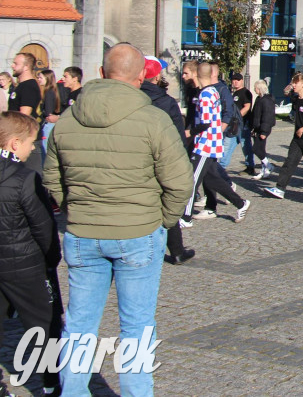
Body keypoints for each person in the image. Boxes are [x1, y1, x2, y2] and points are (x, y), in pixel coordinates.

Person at [42, 43, 193, 395]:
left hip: (83, 233)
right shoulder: (154, 120)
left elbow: (52, 179)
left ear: (100, 72)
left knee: (79, 325)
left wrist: (75, 209)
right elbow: (180, 180)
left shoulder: (66, 121)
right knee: (137, 326)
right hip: (138, 232)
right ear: (142, 76)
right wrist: (162, 220)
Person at [0, 112, 63, 395]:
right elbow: (43, 226)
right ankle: (51, 384)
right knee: (44, 325)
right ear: (15, 143)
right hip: (24, 265)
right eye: (30, 143)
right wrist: (51, 260)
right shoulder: (25, 178)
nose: (33, 149)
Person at [181, 62, 252, 224]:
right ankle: (241, 203)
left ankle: (185, 217)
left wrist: (189, 132)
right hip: (209, 143)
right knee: (212, 178)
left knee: (191, 179)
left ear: (198, 75)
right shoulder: (212, 92)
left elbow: (205, 123)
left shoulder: (206, 95)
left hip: (205, 144)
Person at [263, 73, 303, 199]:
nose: (294, 85)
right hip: (297, 139)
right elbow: (287, 93)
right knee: (289, 162)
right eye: (293, 83)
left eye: (296, 83)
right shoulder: (297, 99)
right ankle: (280, 188)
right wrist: (289, 88)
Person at [8, 53, 42, 172]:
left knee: (31, 175)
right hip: (17, 138)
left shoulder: (29, 86)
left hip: (26, 139)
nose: (12, 66)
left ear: (26, 66)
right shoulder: (20, 86)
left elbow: (24, 116)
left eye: (16, 64)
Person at [251, 79, 276, 180]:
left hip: (263, 128)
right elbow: (255, 114)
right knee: (261, 149)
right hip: (257, 128)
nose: (254, 89)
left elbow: (267, 116)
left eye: (256, 88)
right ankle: (264, 170)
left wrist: (264, 131)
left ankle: (268, 165)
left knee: (256, 149)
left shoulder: (266, 100)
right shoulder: (259, 99)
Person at [230, 72, 255, 174]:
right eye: (234, 80)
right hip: (235, 123)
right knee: (229, 143)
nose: (235, 82)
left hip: (243, 123)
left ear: (242, 81)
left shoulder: (245, 92)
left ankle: (250, 166)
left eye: (238, 80)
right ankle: (221, 164)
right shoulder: (235, 93)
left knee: (245, 144)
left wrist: (237, 118)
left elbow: (247, 107)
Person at [35, 69, 61, 156]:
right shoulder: (52, 91)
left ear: (47, 79)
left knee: (45, 149)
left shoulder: (49, 92)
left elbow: (48, 111)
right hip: (51, 124)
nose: (39, 79)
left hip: (48, 123)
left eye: (41, 78)